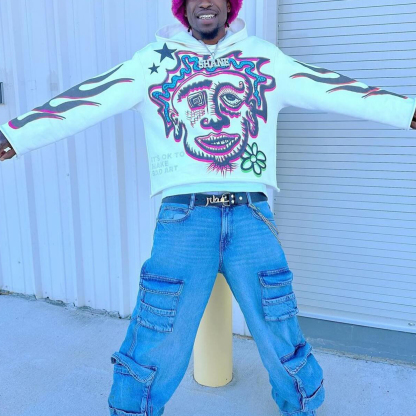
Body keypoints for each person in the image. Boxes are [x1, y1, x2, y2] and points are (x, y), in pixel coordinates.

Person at [1, 1, 415, 415]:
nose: (205, 2)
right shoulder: (152, 62)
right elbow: (89, 97)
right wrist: (15, 134)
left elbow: (330, 86)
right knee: (158, 333)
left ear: (229, 5)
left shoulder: (265, 58)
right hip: (185, 219)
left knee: (278, 325)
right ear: (182, 7)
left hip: (251, 214)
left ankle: (302, 407)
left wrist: (406, 110)